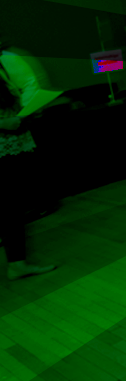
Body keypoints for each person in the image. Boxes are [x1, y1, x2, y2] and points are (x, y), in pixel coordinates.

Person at [1, 64, 56, 280]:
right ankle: (16, 264)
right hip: (4, 144)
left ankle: (17, 261)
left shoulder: (4, 67)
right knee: (9, 206)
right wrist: (4, 122)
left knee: (12, 206)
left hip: (13, 143)